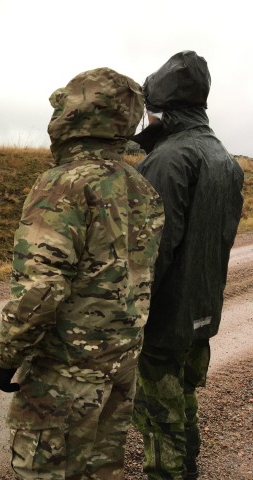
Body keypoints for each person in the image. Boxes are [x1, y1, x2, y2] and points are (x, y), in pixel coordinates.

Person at [0, 67, 165, 479]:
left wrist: (6, 356)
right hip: (120, 370)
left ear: (73, 115)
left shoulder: (62, 184)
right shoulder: (142, 188)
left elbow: (41, 289)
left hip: (64, 376)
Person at [130, 51, 244, 480]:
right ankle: (189, 466)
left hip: (165, 319)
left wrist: (130, 315)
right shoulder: (225, 159)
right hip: (203, 310)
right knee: (185, 398)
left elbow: (152, 254)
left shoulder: (167, 160)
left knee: (160, 420)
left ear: (162, 109)